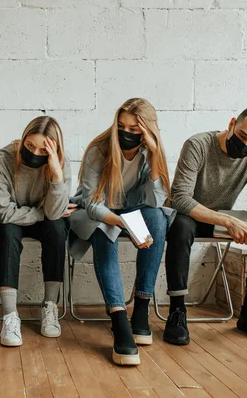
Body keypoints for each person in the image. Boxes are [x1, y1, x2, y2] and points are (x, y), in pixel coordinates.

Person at [163, 106, 247, 345]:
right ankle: (177, 312)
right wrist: (228, 220)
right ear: (231, 124)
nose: (245, 144)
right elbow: (181, 198)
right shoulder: (198, 145)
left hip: (220, 220)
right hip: (190, 216)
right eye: (242, 136)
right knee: (181, 226)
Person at [70, 98, 174, 365]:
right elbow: (92, 203)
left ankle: (141, 310)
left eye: (134, 130)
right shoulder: (98, 149)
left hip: (133, 212)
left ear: (147, 132)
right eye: (121, 126)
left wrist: (153, 155)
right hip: (99, 213)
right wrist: (120, 222)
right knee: (104, 231)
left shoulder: (150, 154)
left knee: (159, 219)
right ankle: (118, 319)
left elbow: (156, 201)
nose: (126, 134)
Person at [0, 116, 73, 347]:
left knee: (57, 229)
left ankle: (49, 306)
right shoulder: (1, 159)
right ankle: (9, 315)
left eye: (42, 150)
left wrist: (56, 174)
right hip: (14, 220)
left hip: (44, 219)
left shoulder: (60, 164)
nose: (35, 153)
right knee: (7, 231)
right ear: (23, 138)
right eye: (30, 145)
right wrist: (41, 212)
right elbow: (3, 212)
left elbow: (55, 215)